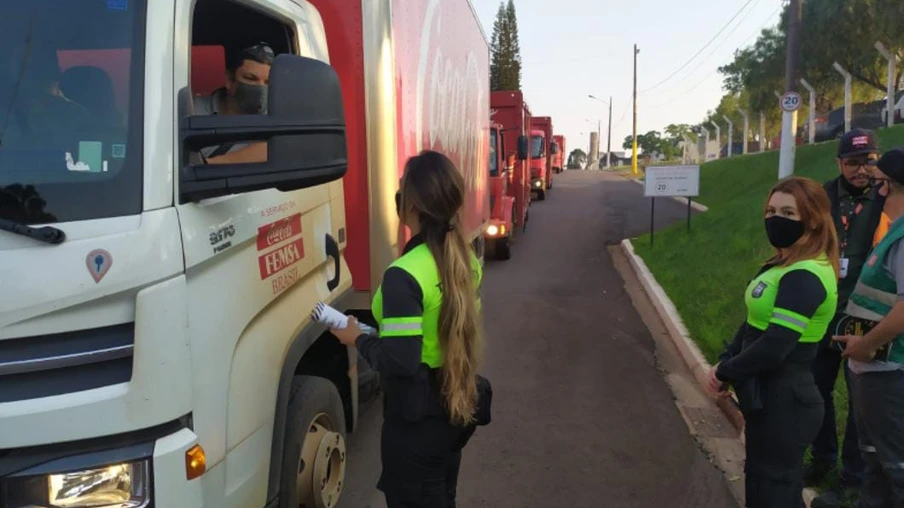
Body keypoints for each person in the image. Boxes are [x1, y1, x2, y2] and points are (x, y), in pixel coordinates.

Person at [331, 150, 489, 507]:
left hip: (418, 424)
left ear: (411, 205)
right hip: (455, 407)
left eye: (401, 192)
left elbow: (401, 362)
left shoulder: (404, 274)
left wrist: (358, 337)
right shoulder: (464, 259)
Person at [708, 176, 839, 508]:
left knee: (773, 490)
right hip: (768, 393)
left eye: (787, 213)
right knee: (763, 483)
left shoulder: (806, 275)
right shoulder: (784, 263)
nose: (774, 219)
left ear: (811, 220)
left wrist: (725, 371)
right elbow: (754, 322)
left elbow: (775, 346)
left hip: (787, 399)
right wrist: (731, 358)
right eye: (770, 211)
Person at [809, 129, 882, 507]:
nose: (861, 170)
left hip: (866, 316)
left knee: (860, 403)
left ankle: (854, 475)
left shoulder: (887, 198)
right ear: (839, 163)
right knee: (817, 389)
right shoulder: (822, 198)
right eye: (853, 162)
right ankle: (823, 459)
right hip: (825, 310)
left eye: (869, 160)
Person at [833, 147, 904, 508]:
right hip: (877, 369)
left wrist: (866, 344)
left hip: (890, 370)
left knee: (896, 464)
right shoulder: (896, 230)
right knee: (877, 462)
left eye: (878, 184)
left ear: (888, 185)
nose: (875, 192)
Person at [192, 42, 273, 164]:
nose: (261, 87)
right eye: (251, 78)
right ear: (229, 80)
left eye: (268, 82)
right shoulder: (191, 109)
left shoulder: (276, 120)